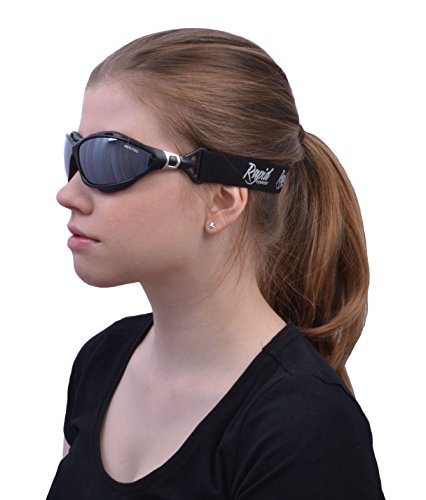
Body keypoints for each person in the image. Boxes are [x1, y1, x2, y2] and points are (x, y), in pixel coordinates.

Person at [47, 28, 385, 499]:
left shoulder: (305, 426)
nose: (68, 193)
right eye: (76, 153)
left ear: (224, 200)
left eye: (110, 159)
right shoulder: (101, 362)